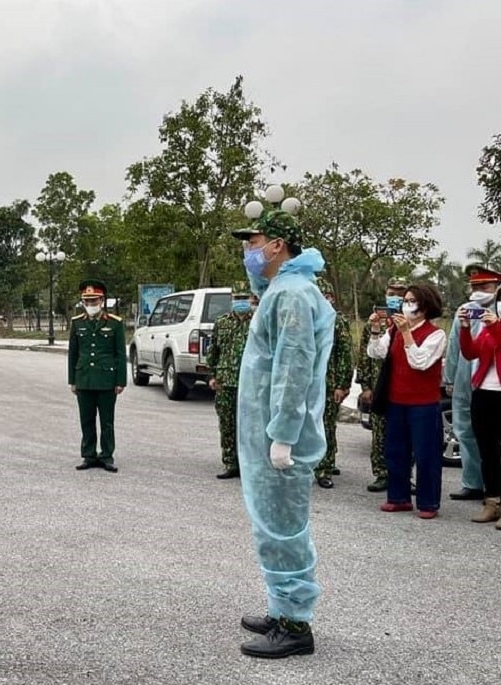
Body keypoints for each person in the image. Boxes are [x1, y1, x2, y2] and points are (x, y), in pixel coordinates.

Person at [231, 197, 334, 659]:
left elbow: (294, 367)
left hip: (282, 436)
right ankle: (282, 605)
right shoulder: (282, 290)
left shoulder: (291, 294)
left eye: (252, 243)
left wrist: (283, 434)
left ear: (276, 246)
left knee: (285, 526)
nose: (247, 251)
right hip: (271, 430)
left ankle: (296, 625)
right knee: (273, 524)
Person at [367, 283, 446, 519]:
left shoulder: (436, 334)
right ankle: (398, 497)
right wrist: (375, 329)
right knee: (396, 452)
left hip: (423, 404)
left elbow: (419, 362)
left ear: (424, 307)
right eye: (405, 300)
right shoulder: (393, 331)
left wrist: (407, 334)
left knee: (426, 455)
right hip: (396, 401)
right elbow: (376, 352)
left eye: (412, 301)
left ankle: (428, 502)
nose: (406, 305)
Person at [444, 266, 500, 501]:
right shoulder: (465, 310)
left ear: (497, 287)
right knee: (465, 430)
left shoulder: (497, 311)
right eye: (475, 287)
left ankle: (494, 487)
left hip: (494, 379)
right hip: (468, 378)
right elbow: (455, 346)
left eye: (484, 287)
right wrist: (449, 378)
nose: (478, 292)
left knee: (493, 438)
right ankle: (472, 483)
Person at [356, 276, 409, 492]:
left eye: (400, 293)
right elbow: (364, 357)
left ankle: (404, 475)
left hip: (402, 388)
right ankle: (381, 474)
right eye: (392, 292)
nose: (395, 297)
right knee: (379, 434)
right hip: (378, 387)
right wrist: (366, 387)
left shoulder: (410, 322)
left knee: (404, 435)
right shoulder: (374, 322)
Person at [69, 279, 127, 472]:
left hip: (106, 380)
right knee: (86, 420)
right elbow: (73, 353)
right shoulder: (77, 323)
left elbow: (120, 354)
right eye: (87, 301)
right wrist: (72, 380)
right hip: (84, 379)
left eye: (94, 301)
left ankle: (107, 455)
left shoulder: (115, 323)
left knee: (107, 421)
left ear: (102, 301)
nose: (91, 305)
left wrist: (120, 381)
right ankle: (89, 455)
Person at [458, 276, 501, 527]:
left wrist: (496, 326)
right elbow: (471, 352)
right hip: (484, 391)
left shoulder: (494, 326)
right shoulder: (488, 326)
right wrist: (465, 328)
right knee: (488, 450)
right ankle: (492, 501)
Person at [206, 281, 256, 479]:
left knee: (250, 426)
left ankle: (248, 464)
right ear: (232, 300)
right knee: (227, 424)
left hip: (251, 383)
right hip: (226, 381)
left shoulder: (258, 322)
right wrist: (211, 375)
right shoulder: (222, 322)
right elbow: (213, 351)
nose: (241, 302)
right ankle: (230, 463)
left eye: (245, 298)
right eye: (238, 299)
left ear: (251, 299)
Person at [313, 277, 354, 489]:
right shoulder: (306, 318)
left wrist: (342, 384)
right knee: (309, 425)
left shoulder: (337, 322)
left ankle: (324, 468)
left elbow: (345, 355)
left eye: (325, 296)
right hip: (309, 382)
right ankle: (311, 462)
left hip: (329, 383)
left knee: (326, 426)